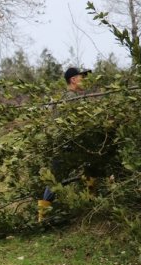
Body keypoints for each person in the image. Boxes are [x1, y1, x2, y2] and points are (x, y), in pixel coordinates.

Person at [37, 67, 91, 222]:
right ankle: (42, 218)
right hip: (66, 145)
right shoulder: (70, 98)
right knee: (55, 179)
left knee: (91, 167)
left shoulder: (67, 97)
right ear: (73, 80)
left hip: (72, 144)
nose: (85, 80)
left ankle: (90, 204)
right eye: (82, 77)